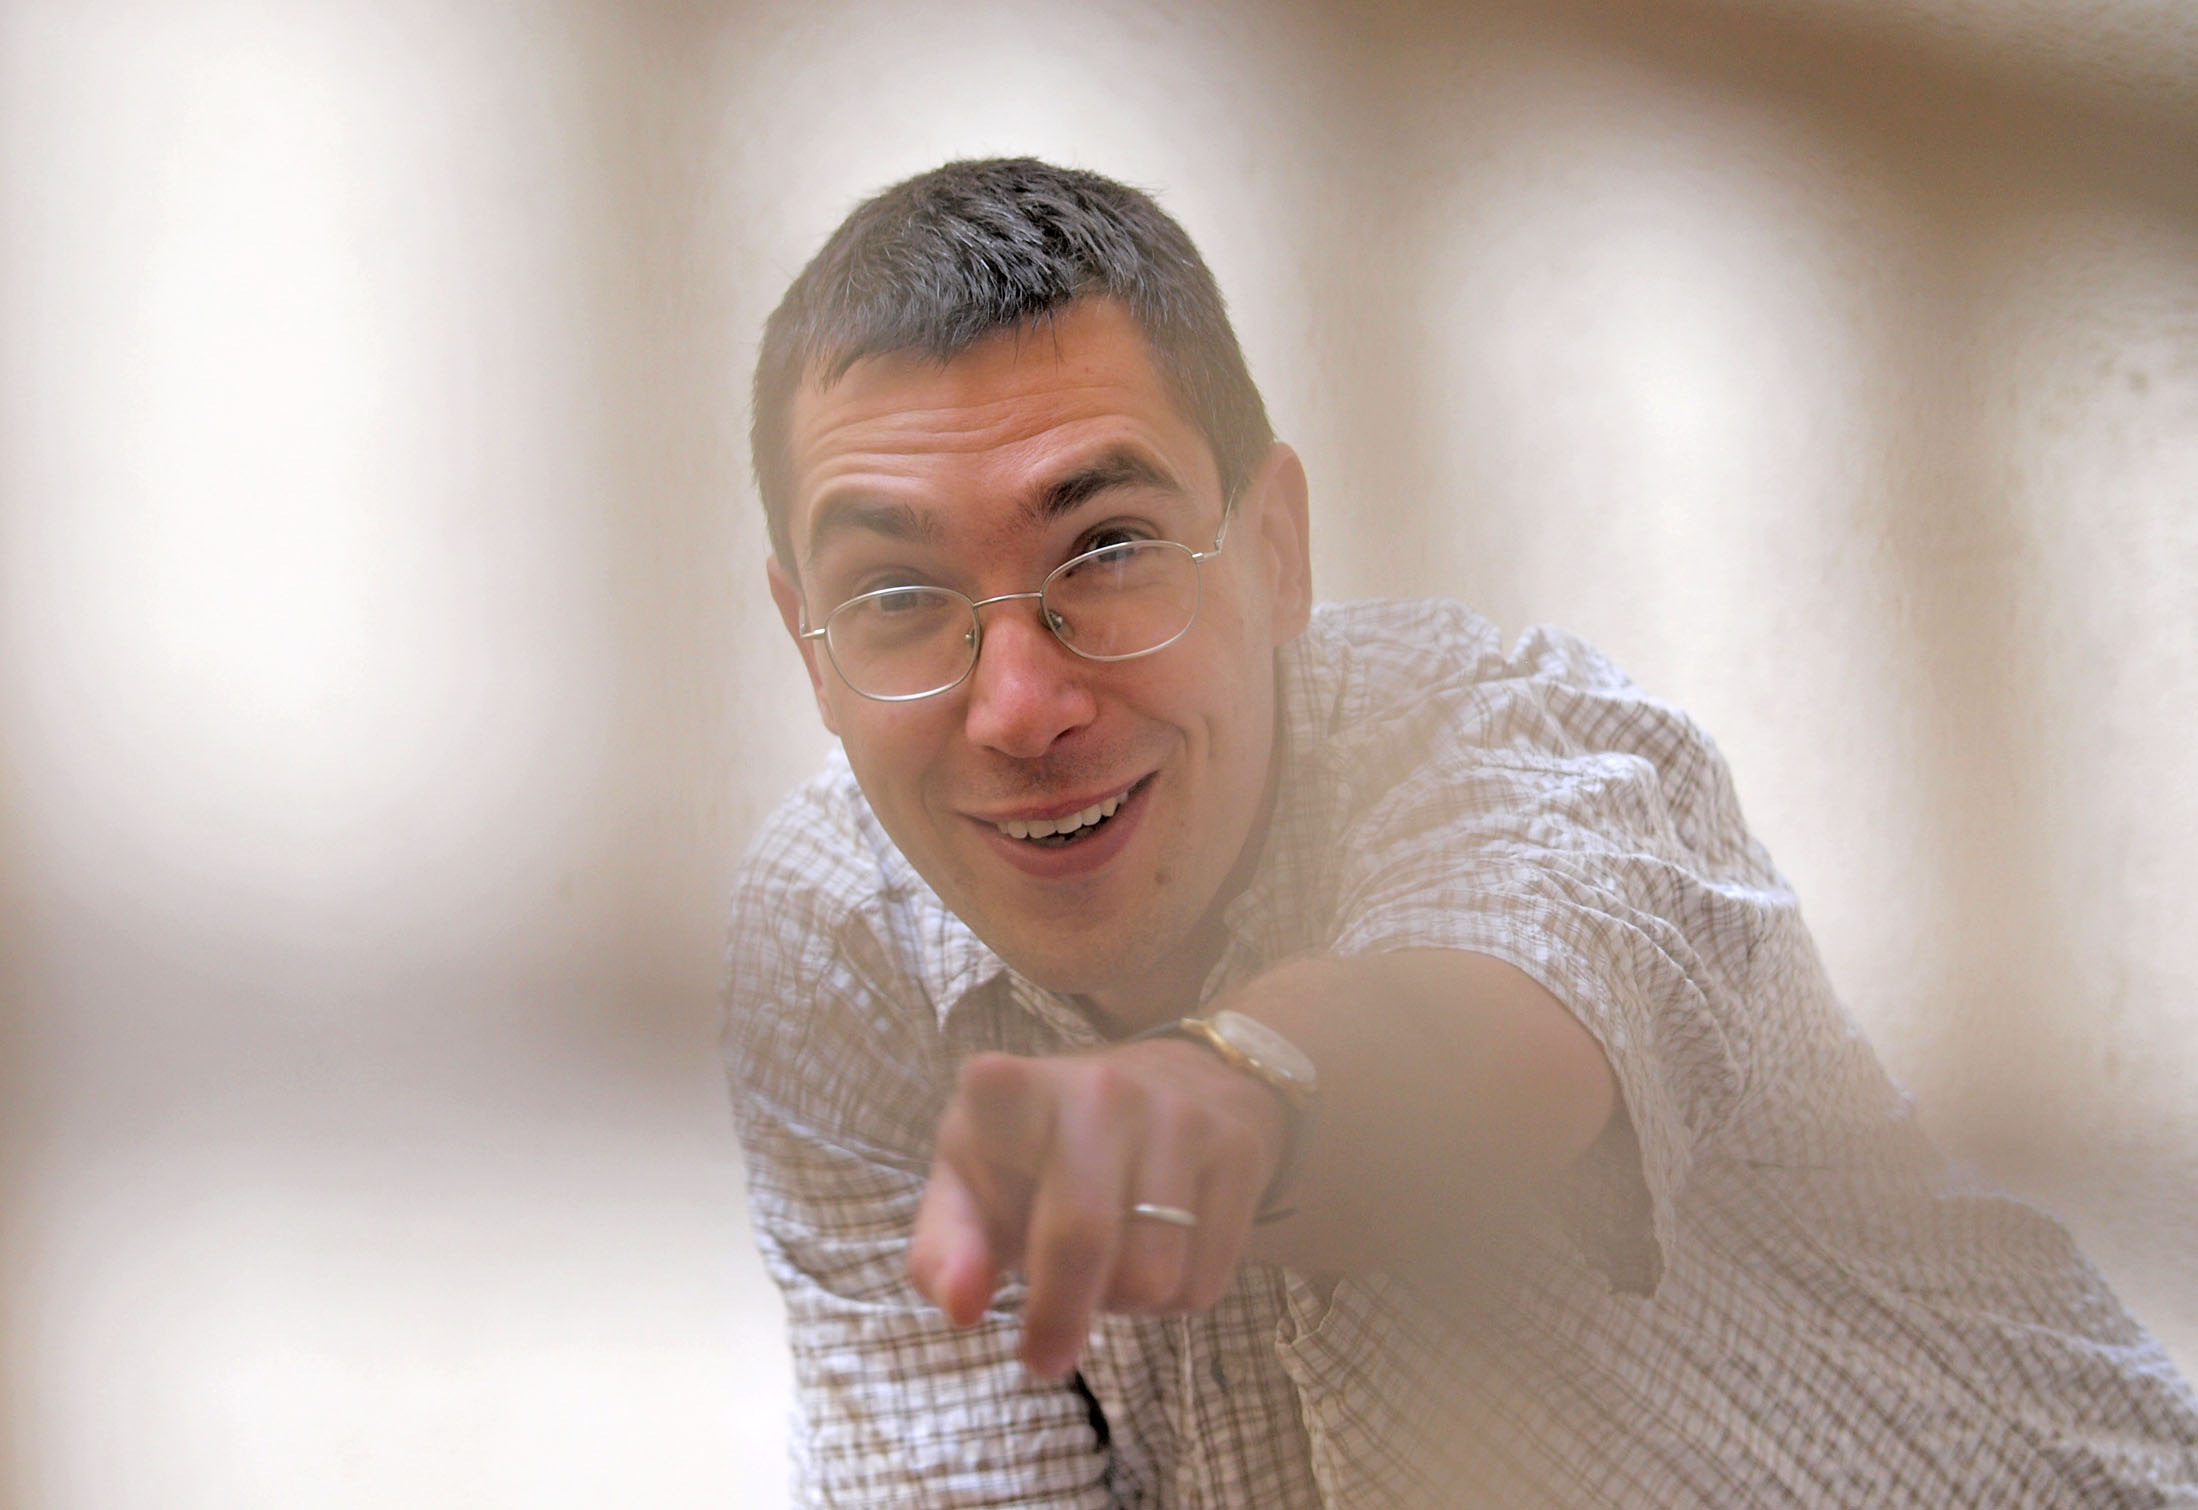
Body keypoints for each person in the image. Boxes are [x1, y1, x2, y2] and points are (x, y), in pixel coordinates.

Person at [723, 157, 2198, 1507]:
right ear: (807, 643)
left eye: (1106, 551)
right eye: (897, 598)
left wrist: (1237, 1092)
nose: (1019, 708)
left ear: (1277, 550)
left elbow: (1471, 1028)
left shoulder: (1529, 743)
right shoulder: (838, 944)